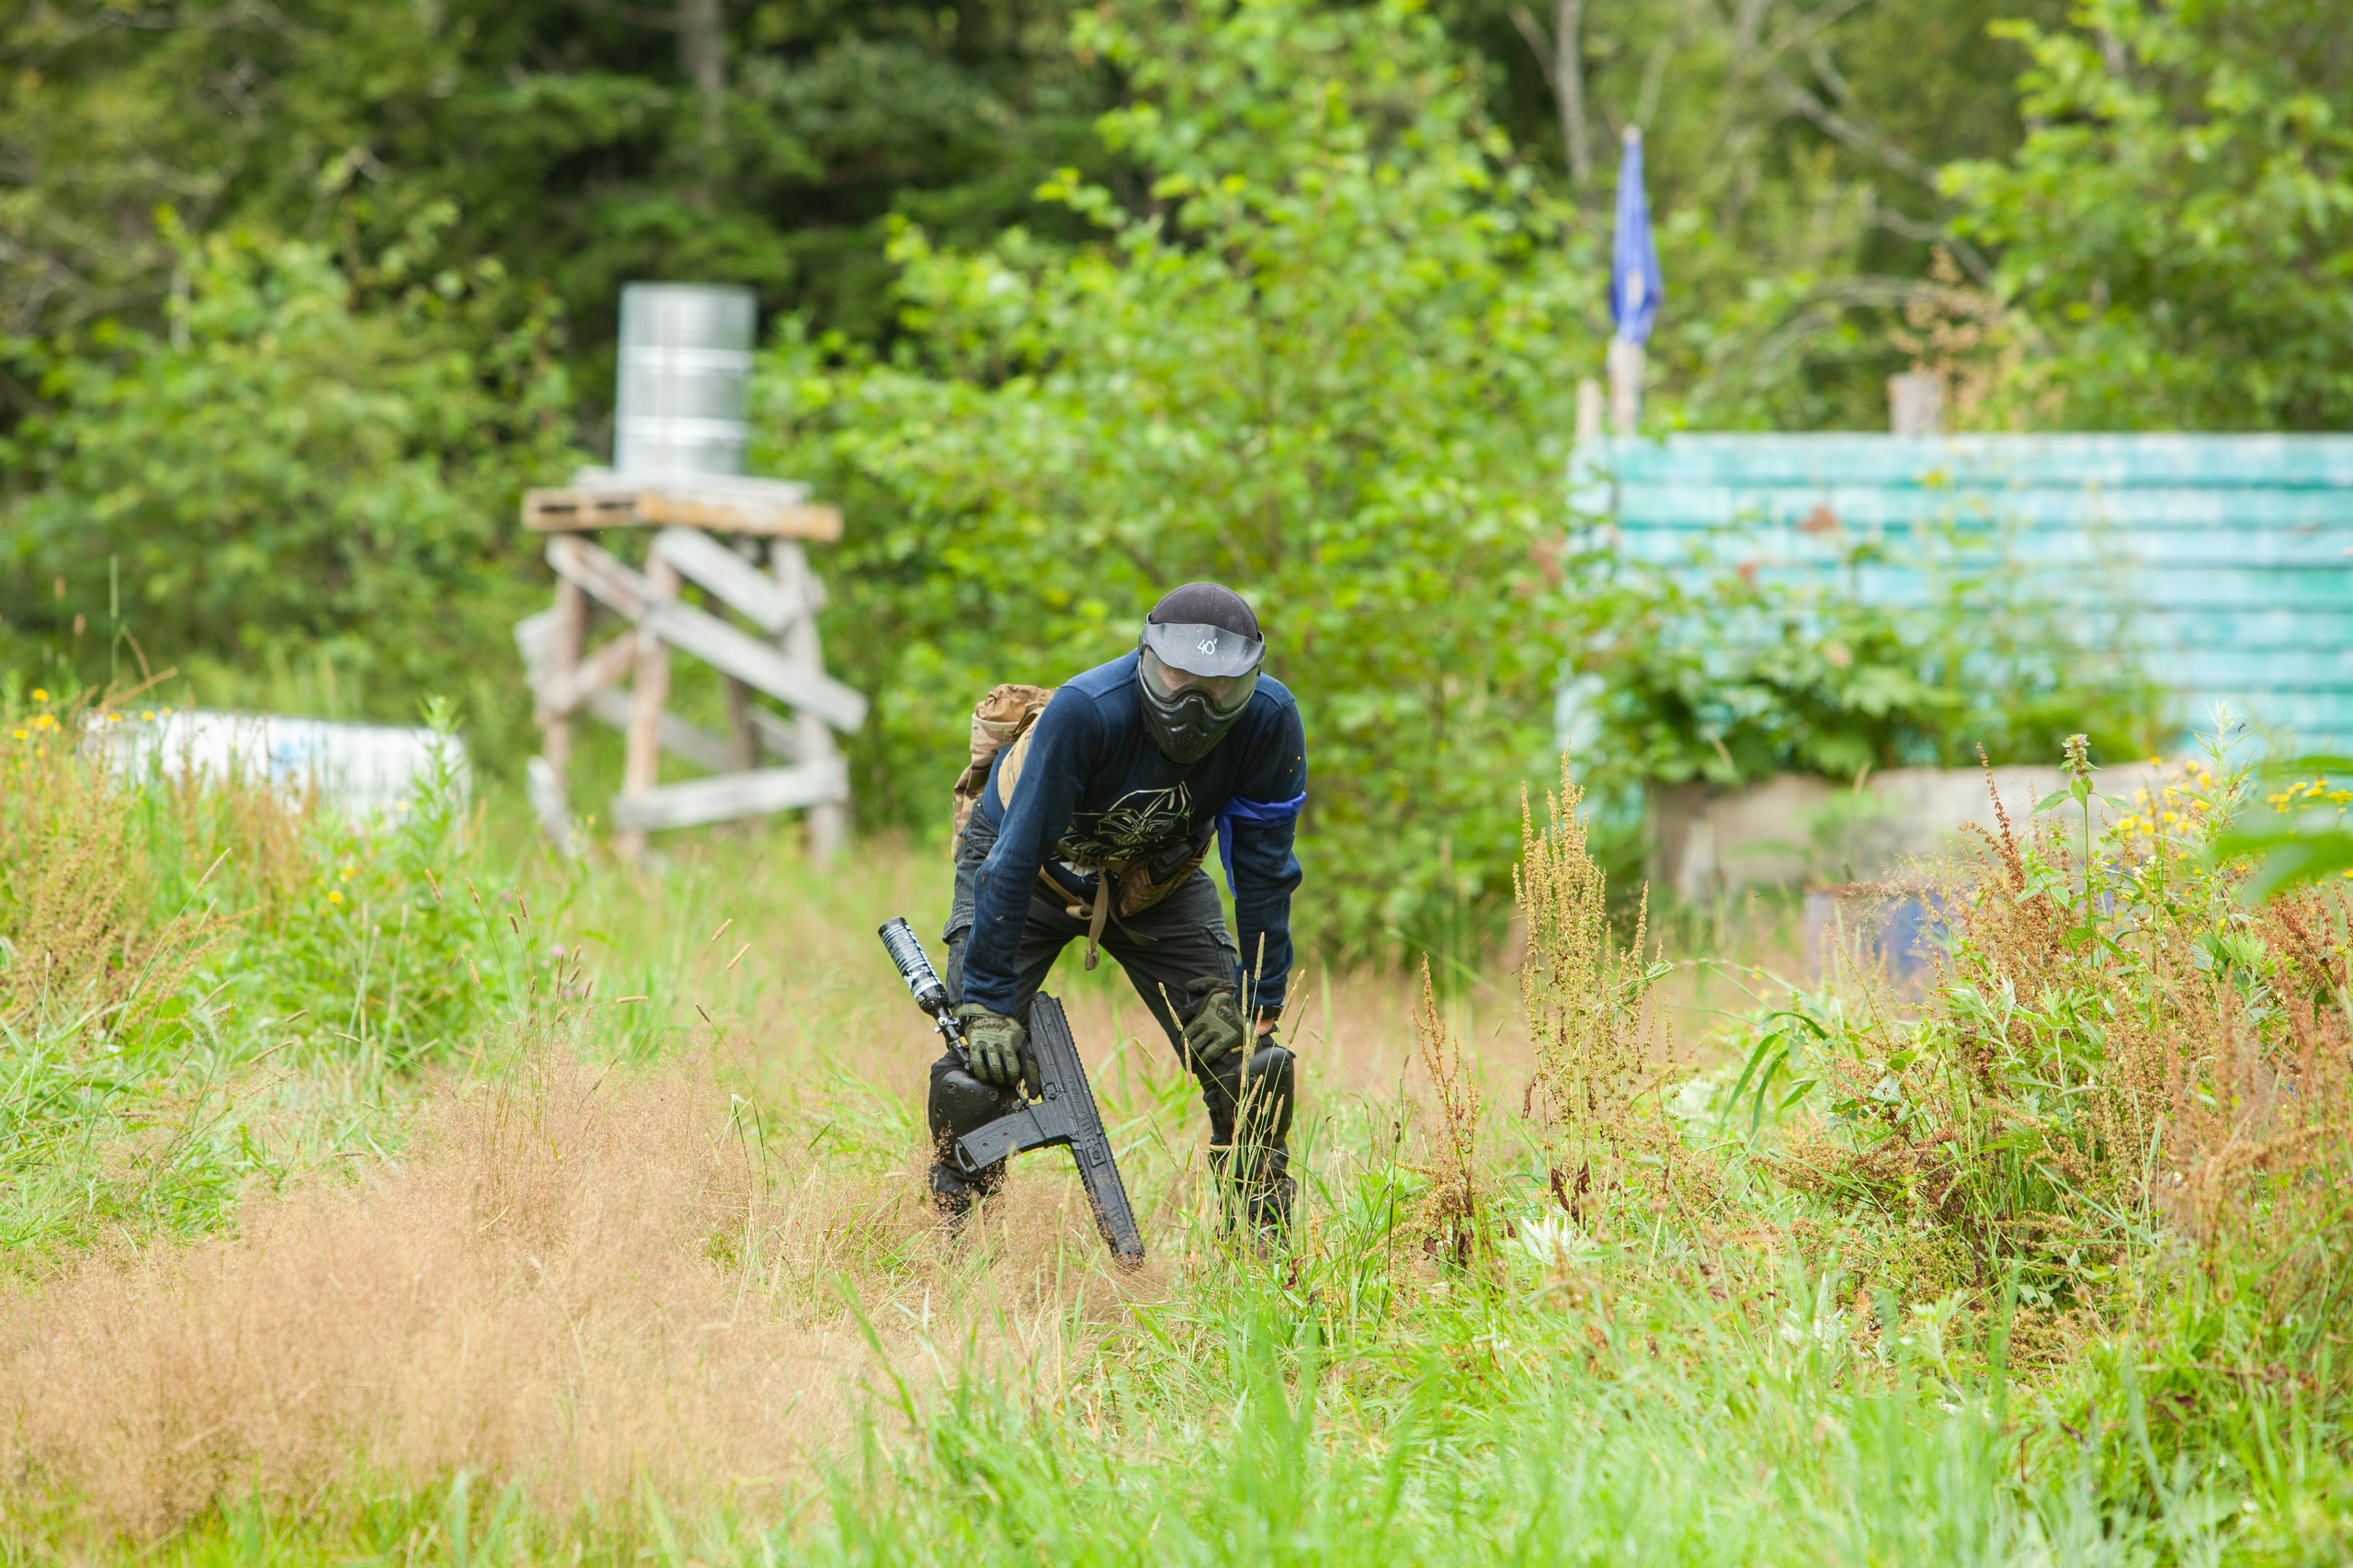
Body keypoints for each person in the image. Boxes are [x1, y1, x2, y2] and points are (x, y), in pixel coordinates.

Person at [933, 582, 1308, 1236]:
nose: (1195, 702)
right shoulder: (1088, 710)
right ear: (1144, 657)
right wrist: (988, 1002)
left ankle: (1264, 1261)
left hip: (1157, 879)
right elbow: (1012, 861)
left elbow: (1265, 873)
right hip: (1029, 871)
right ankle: (958, 1244)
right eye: (1178, 676)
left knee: (1250, 1065)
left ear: (1252, 677)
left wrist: (1257, 1001)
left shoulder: (1270, 723)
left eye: (1219, 687)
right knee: (978, 1070)